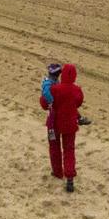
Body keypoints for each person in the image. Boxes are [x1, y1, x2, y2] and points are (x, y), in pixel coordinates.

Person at [45, 62, 85, 192]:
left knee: (54, 147)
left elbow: (44, 103)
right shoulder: (76, 90)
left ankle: (57, 172)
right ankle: (70, 178)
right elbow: (78, 102)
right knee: (69, 150)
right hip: (69, 124)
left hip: (54, 123)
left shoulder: (54, 89)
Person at [38, 63, 61, 175]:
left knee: (53, 144)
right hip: (58, 118)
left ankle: (57, 170)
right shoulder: (55, 83)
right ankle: (59, 170)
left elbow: (44, 101)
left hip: (52, 121)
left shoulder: (49, 83)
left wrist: (51, 102)